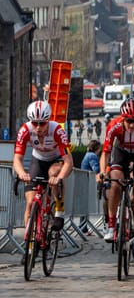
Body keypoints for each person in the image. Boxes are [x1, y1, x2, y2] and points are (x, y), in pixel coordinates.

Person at [100, 98, 134, 258]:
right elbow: (106, 152)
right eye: (129, 121)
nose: (132, 125)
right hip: (122, 152)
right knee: (115, 183)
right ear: (123, 118)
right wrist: (104, 171)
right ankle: (111, 224)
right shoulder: (114, 125)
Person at [13, 101, 74, 245]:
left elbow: (69, 161)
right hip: (38, 159)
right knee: (30, 202)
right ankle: (30, 244)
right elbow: (17, 158)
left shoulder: (57, 130)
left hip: (56, 159)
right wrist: (22, 173)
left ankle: (59, 210)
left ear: (48, 121)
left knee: (53, 174)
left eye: (42, 123)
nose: (38, 127)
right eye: (35, 123)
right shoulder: (25, 130)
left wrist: (59, 177)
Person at [81, 139, 102, 233]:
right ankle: (83, 227)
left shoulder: (87, 155)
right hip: (88, 183)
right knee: (85, 206)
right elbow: (96, 169)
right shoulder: (92, 156)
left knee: (84, 206)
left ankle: (83, 227)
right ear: (97, 148)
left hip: (85, 182)